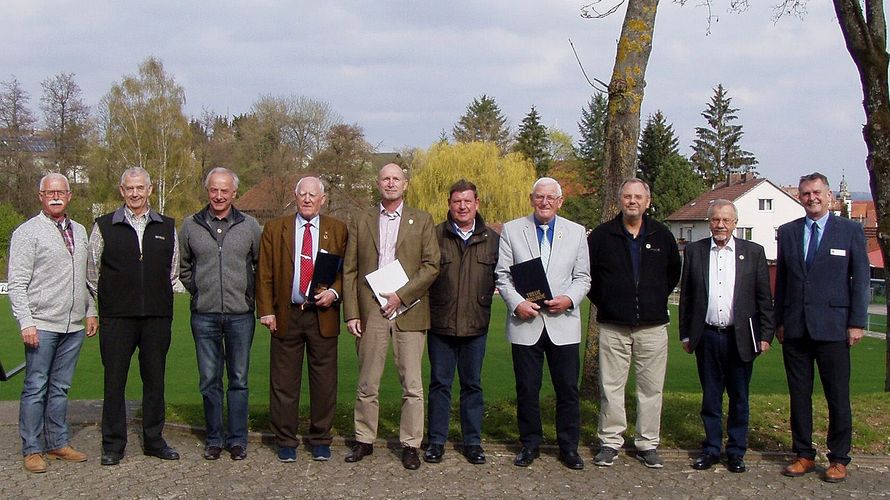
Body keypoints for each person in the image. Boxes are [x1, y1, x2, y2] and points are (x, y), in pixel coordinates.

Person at [343, 163, 440, 470]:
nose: (390, 183)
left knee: (412, 383)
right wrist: (351, 313)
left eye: (396, 178)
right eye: (385, 178)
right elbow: (350, 270)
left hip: (409, 308)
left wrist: (403, 295)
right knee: (367, 380)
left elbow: (431, 265)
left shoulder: (422, 220)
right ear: (378, 183)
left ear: (405, 184)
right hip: (371, 307)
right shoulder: (361, 219)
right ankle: (364, 439)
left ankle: (410, 443)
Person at [775, 172, 869, 483]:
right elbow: (784, 282)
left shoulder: (850, 231)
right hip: (796, 329)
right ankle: (803, 454)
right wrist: (779, 322)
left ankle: (839, 458)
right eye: (805, 193)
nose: (811, 198)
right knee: (799, 396)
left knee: (837, 397)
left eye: (817, 192)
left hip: (834, 328)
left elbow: (860, 281)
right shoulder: (788, 232)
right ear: (799, 198)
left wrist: (857, 322)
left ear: (828, 196)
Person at [495, 177, 591, 470]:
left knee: (567, 390)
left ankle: (568, 447)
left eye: (551, 197)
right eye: (540, 197)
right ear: (531, 199)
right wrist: (517, 303)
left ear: (560, 201)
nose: (545, 202)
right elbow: (503, 275)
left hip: (563, 321)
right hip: (527, 322)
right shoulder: (512, 230)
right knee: (527, 388)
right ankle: (530, 444)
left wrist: (570, 299)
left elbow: (583, 277)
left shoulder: (576, 233)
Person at [88, 166, 180, 466]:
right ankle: (113, 445)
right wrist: (99, 309)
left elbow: (173, 271)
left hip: (156, 317)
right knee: (114, 382)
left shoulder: (167, 226)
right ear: (121, 190)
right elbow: (92, 274)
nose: (135, 193)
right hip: (117, 318)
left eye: (140, 187)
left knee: (155, 381)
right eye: (130, 188)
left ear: (150, 189)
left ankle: (154, 440)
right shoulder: (103, 226)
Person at [587, 178, 681, 468]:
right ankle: (610, 441)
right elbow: (588, 278)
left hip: (652, 326)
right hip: (613, 325)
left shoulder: (662, 235)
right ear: (620, 201)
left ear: (647, 202)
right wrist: (611, 303)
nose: (632, 201)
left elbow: (672, 274)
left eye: (638, 197)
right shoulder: (602, 236)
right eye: (627, 196)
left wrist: (650, 300)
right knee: (611, 386)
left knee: (651, 388)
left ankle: (647, 442)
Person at [8, 173, 98, 473]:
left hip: (73, 325)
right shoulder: (27, 232)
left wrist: (91, 310)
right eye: (50, 192)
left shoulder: (81, 230)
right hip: (42, 324)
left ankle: (57, 442)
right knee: (36, 387)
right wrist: (26, 322)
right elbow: (17, 283)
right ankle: (32, 448)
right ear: (41, 196)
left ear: (70, 196)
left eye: (61, 191)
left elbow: (86, 278)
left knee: (60, 387)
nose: (56, 196)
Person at [678, 199, 774, 474]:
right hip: (706, 336)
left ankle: (735, 451)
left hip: (740, 337)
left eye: (725, 220)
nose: (720, 225)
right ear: (709, 222)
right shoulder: (695, 251)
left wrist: (765, 335)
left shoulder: (753, 252)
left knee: (739, 397)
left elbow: (763, 298)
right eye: (715, 220)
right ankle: (710, 449)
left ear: (735, 223)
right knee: (710, 398)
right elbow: (687, 296)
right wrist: (685, 334)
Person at [256, 176, 347, 463]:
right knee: (283, 381)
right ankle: (285, 439)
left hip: (323, 314)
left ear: (323, 199)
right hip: (287, 313)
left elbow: (347, 272)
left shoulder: (338, 229)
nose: (307, 199)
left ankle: (321, 438)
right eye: (302, 194)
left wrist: (334, 291)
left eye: (313, 195)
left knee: (324, 381)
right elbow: (265, 273)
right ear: (294, 197)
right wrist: (266, 310)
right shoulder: (275, 229)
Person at [179, 167, 261, 461]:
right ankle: (214, 438)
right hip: (204, 315)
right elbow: (184, 267)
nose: (218, 195)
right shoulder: (190, 225)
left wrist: (247, 296)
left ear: (234, 193)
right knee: (209, 380)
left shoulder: (250, 226)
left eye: (224, 190)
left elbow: (259, 266)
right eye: (214, 189)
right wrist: (200, 291)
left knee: (238, 379)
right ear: (207, 191)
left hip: (240, 315)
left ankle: (237, 440)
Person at [423, 179, 499, 466]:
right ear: (449, 204)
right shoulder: (434, 235)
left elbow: (502, 277)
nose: (462, 206)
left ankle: (472, 442)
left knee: (472, 385)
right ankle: (436, 441)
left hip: (476, 325)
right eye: (457, 201)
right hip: (440, 323)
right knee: (439, 384)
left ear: (477, 204)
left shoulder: (492, 239)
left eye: (468, 201)